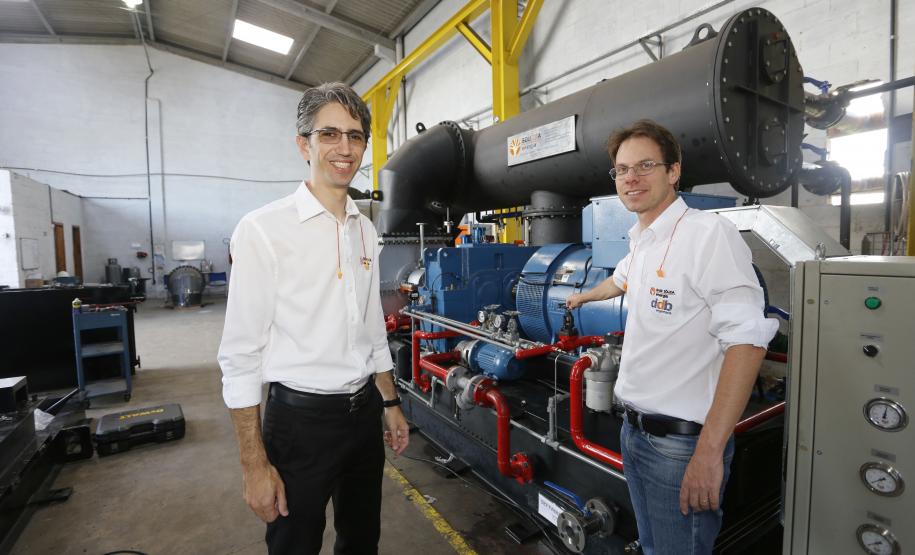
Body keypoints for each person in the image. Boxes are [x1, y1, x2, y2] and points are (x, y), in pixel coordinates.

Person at [566, 119, 777, 554]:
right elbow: (619, 282)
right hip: (634, 431)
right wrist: (581, 298)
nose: (631, 178)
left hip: (682, 447)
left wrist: (709, 452)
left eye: (645, 165)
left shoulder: (707, 234)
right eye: (622, 170)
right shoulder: (642, 241)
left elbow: (748, 342)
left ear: (674, 171)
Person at [217, 82, 409, 555]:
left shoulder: (365, 229)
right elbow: (241, 355)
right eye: (330, 134)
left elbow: (370, 329)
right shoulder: (263, 230)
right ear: (304, 144)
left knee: (362, 539)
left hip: (362, 416)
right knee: (294, 544)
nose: (344, 148)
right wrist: (253, 464)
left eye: (356, 136)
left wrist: (389, 402)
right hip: (299, 423)